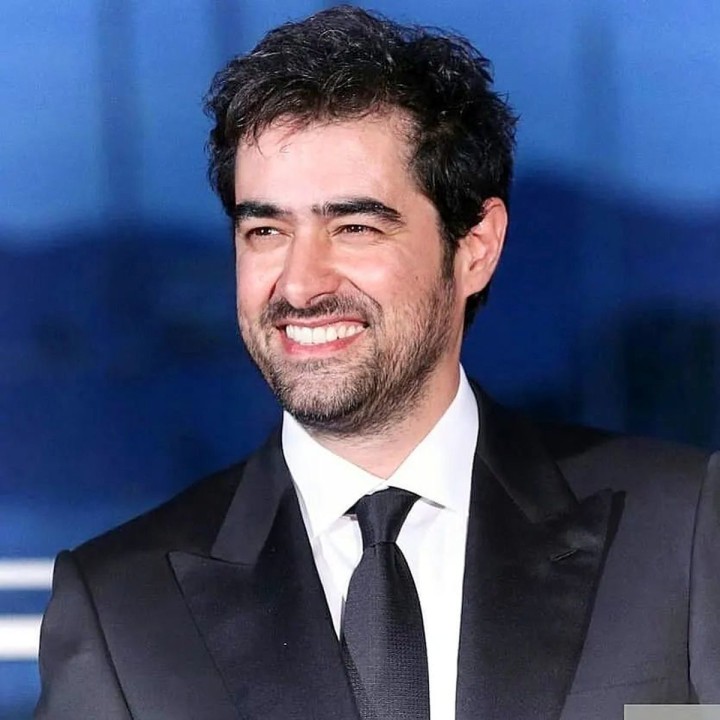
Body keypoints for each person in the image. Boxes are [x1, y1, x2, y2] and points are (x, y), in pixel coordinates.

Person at [35, 6, 719, 720]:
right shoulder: (121, 610)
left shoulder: (683, 530)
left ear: (476, 247)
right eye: (265, 230)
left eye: (355, 227)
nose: (301, 284)